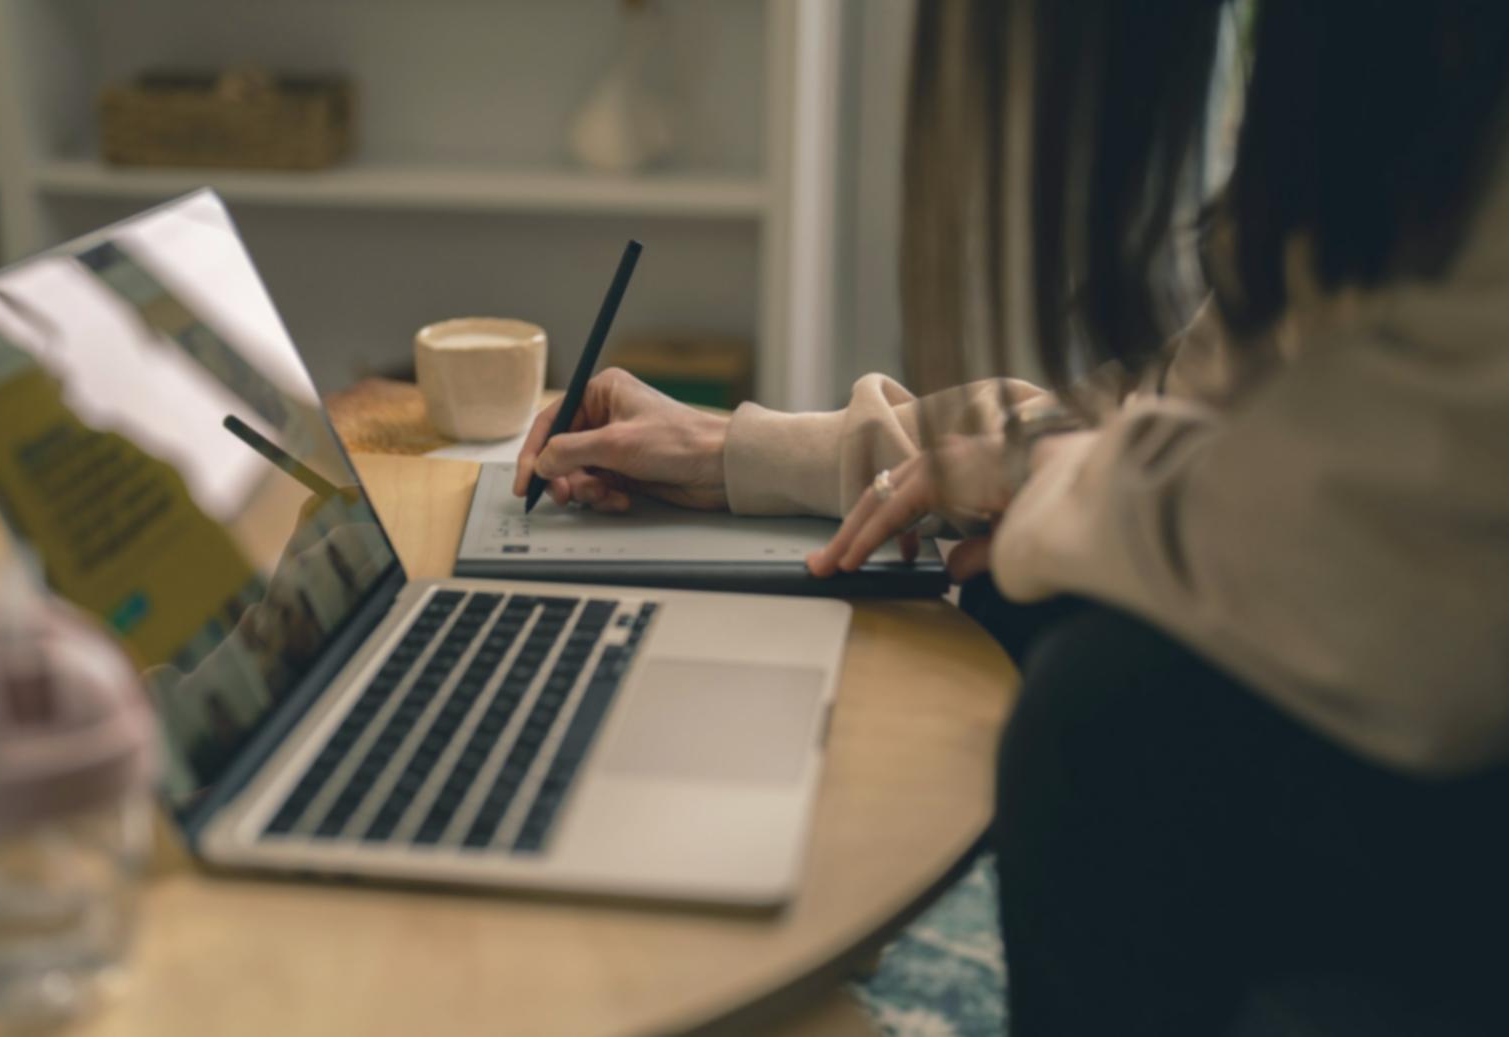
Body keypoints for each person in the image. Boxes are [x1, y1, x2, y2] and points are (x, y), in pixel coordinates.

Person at [513, 1, 1509, 1033]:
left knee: (1105, 704)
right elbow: (1167, 413)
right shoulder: (1370, 80)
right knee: (1003, 583)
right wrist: (733, 452)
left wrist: (1054, 489)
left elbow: (1414, 572)